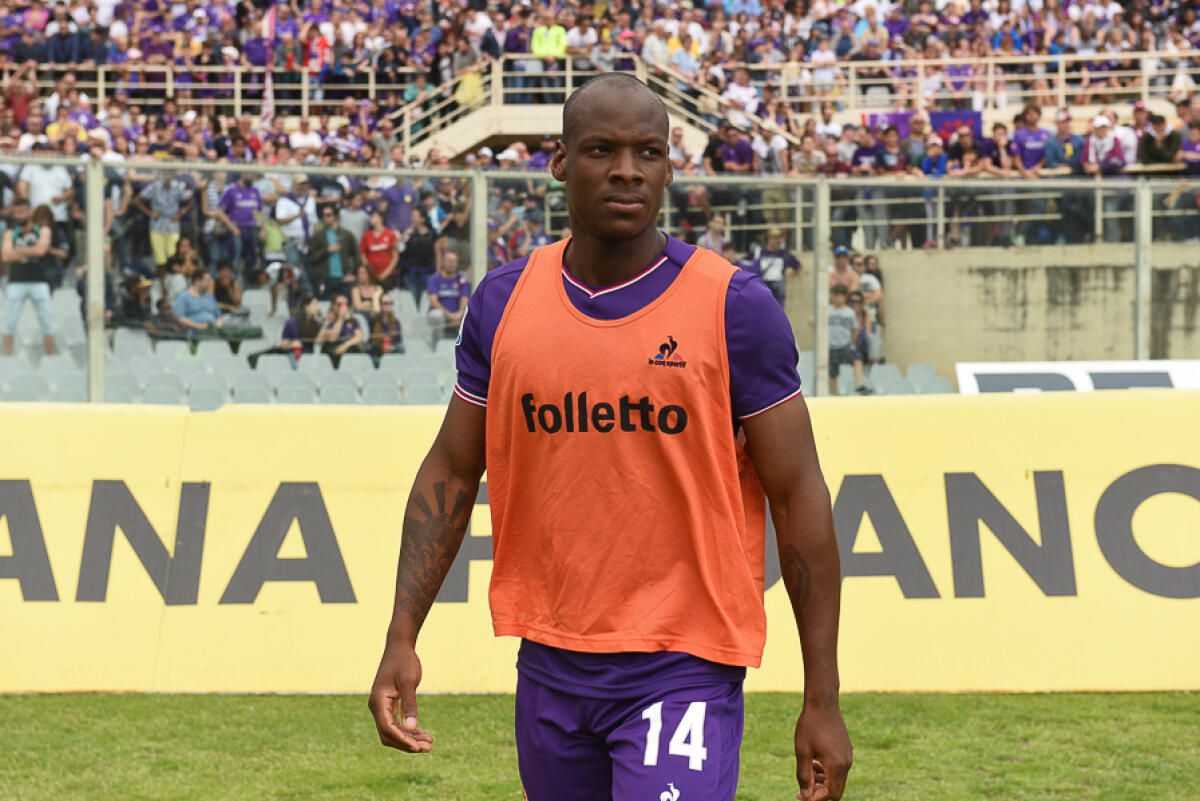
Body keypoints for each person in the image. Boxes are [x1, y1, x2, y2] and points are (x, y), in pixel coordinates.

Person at [368, 73, 851, 801]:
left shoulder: (735, 306)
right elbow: (453, 471)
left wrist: (822, 697)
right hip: (551, 663)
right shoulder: (503, 304)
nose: (627, 169)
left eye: (648, 151)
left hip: (683, 661)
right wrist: (401, 634)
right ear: (560, 161)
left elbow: (798, 494)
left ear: (668, 165)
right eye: (601, 149)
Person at [0, 199, 54, 356]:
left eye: (22, 212)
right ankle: (5, 357)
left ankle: (51, 356)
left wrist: (18, 250)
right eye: (16, 212)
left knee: (47, 322)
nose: (18, 215)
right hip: (16, 282)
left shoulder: (42, 230)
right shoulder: (11, 232)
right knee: (9, 323)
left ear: (30, 212)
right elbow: (5, 256)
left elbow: (41, 251)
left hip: (39, 281)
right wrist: (30, 250)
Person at [309, 204, 361, 300]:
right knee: (325, 305)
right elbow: (311, 257)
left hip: (344, 278)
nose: (325, 218)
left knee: (345, 307)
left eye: (328, 215)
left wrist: (354, 274)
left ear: (336, 217)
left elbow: (357, 256)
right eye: (323, 215)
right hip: (325, 278)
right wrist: (327, 250)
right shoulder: (318, 235)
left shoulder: (346, 234)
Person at [828, 284, 868, 395]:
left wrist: (852, 343)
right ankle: (835, 395)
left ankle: (859, 384)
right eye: (836, 295)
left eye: (841, 296)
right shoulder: (826, 311)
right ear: (831, 296)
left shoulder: (849, 313)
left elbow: (855, 330)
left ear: (845, 297)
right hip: (830, 347)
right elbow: (812, 321)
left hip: (844, 345)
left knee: (857, 359)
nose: (838, 298)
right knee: (832, 373)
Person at [748, 227, 801, 306]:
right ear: (769, 239)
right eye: (774, 238)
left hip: (778, 295)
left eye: (778, 238)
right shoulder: (759, 252)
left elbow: (798, 266)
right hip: (760, 292)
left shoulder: (784, 254)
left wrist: (790, 276)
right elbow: (746, 263)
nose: (776, 241)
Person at [426, 250, 470, 344]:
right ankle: (438, 345)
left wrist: (460, 313)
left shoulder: (461, 279)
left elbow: (464, 299)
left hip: (457, 313)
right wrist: (449, 315)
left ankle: (464, 348)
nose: (452, 264)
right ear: (443, 262)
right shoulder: (434, 279)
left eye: (454, 261)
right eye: (449, 260)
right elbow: (433, 301)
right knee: (436, 315)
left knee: (471, 316)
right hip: (442, 314)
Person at [314, 294, 364, 368]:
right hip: (332, 354)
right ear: (333, 306)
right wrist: (341, 319)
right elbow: (332, 339)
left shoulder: (352, 321)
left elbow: (359, 337)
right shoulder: (328, 321)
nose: (343, 307)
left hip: (348, 351)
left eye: (346, 304)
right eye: (339, 304)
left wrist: (346, 345)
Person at [360, 210, 400, 288]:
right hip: (371, 275)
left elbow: (395, 257)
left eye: (373, 216)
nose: (370, 219)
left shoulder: (390, 234)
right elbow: (362, 253)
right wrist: (368, 270)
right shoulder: (367, 235)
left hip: (388, 274)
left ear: (381, 218)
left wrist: (386, 273)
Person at [369, 293, 404, 360]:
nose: (389, 305)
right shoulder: (374, 321)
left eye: (391, 303)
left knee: (400, 349)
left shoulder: (396, 322)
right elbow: (371, 343)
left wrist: (392, 347)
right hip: (378, 354)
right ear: (380, 305)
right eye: (386, 303)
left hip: (392, 353)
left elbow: (399, 342)